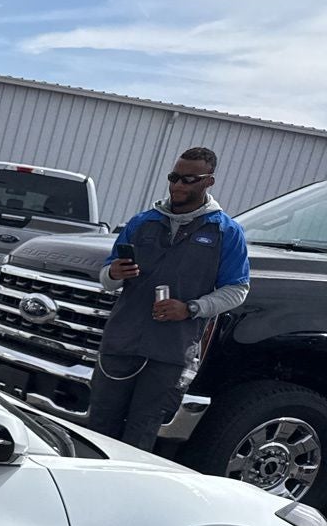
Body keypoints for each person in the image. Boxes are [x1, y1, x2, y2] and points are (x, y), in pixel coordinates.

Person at [87, 147, 250, 450]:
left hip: (169, 352)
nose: (178, 186)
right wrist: (115, 272)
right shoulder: (142, 222)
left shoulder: (225, 232)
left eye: (189, 179)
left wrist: (191, 309)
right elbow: (105, 279)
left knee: (141, 432)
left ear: (208, 181)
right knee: (99, 426)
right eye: (174, 177)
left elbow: (237, 290)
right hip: (120, 344)